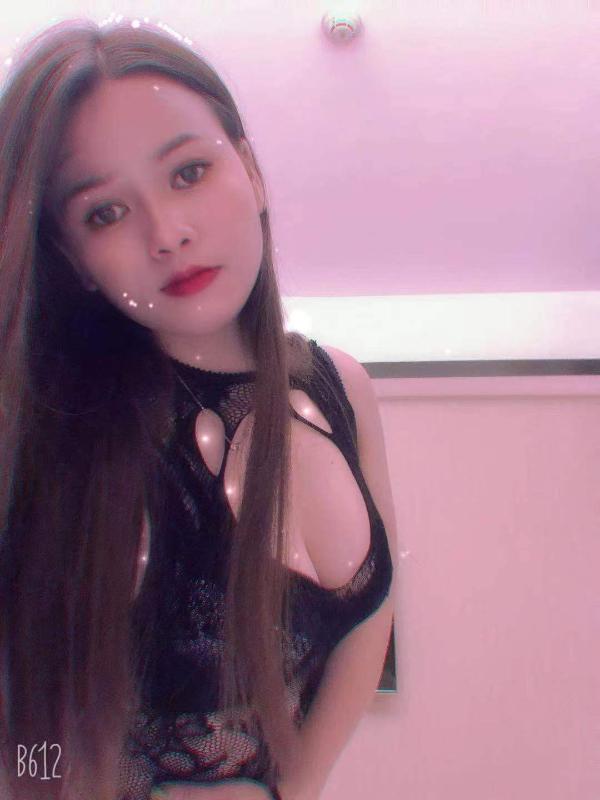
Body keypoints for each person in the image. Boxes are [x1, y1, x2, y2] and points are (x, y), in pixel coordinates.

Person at [0, 17, 396, 800]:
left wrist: (298, 787)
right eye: (105, 212)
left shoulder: (343, 387)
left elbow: (370, 614)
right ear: (74, 260)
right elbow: (21, 741)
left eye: (188, 173)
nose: (168, 233)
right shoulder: (54, 437)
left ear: (250, 171)